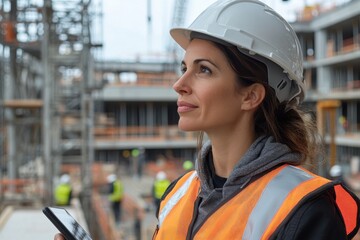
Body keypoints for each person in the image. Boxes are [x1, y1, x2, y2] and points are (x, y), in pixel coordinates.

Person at [152, 0, 360, 239]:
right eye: (184, 68)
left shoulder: (305, 212)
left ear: (251, 96)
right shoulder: (177, 193)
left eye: (204, 70)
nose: (179, 85)